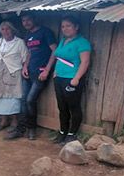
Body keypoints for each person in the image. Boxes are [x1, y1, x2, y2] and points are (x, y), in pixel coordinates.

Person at [8, 12, 57, 140]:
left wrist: (47, 70)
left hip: (40, 73)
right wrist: (25, 66)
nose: (26, 23)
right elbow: (29, 52)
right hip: (28, 72)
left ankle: (32, 129)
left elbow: (54, 51)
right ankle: (22, 128)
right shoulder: (28, 35)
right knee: (24, 100)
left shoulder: (46, 32)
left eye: (28, 20)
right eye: (24, 21)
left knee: (30, 100)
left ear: (35, 19)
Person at [52, 16, 91, 145]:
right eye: (63, 26)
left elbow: (85, 62)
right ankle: (63, 131)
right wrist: (55, 73)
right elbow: (58, 57)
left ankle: (71, 133)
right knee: (62, 107)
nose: (65, 29)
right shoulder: (63, 41)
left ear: (76, 27)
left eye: (68, 26)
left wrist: (76, 78)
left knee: (73, 106)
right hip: (59, 78)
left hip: (72, 79)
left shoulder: (82, 42)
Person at [0, 21, 29, 137]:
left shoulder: (19, 42)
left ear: (13, 30)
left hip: (13, 73)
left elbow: (25, 57)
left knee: (13, 98)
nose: (5, 31)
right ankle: (4, 121)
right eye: (3, 29)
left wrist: (24, 67)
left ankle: (15, 122)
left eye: (8, 29)